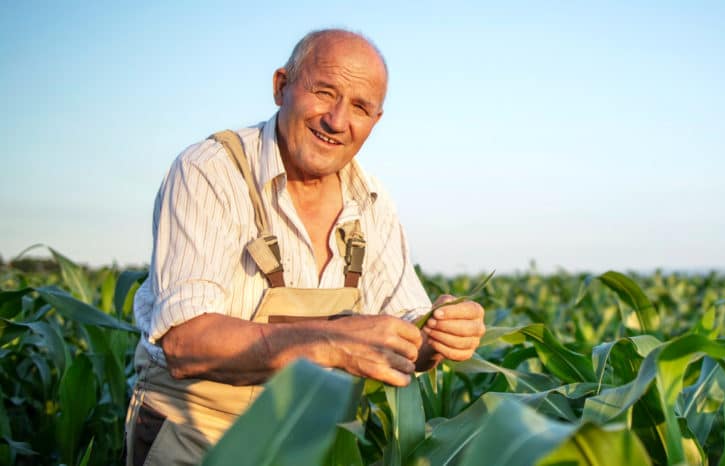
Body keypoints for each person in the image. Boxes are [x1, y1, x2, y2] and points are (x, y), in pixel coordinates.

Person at [124, 29, 486, 466]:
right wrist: (332, 342)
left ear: (376, 120)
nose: (336, 120)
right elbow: (187, 343)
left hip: (307, 443)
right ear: (281, 86)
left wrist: (437, 335)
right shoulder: (210, 172)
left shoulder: (371, 201)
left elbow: (403, 327)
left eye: (360, 107)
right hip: (195, 433)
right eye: (324, 92)